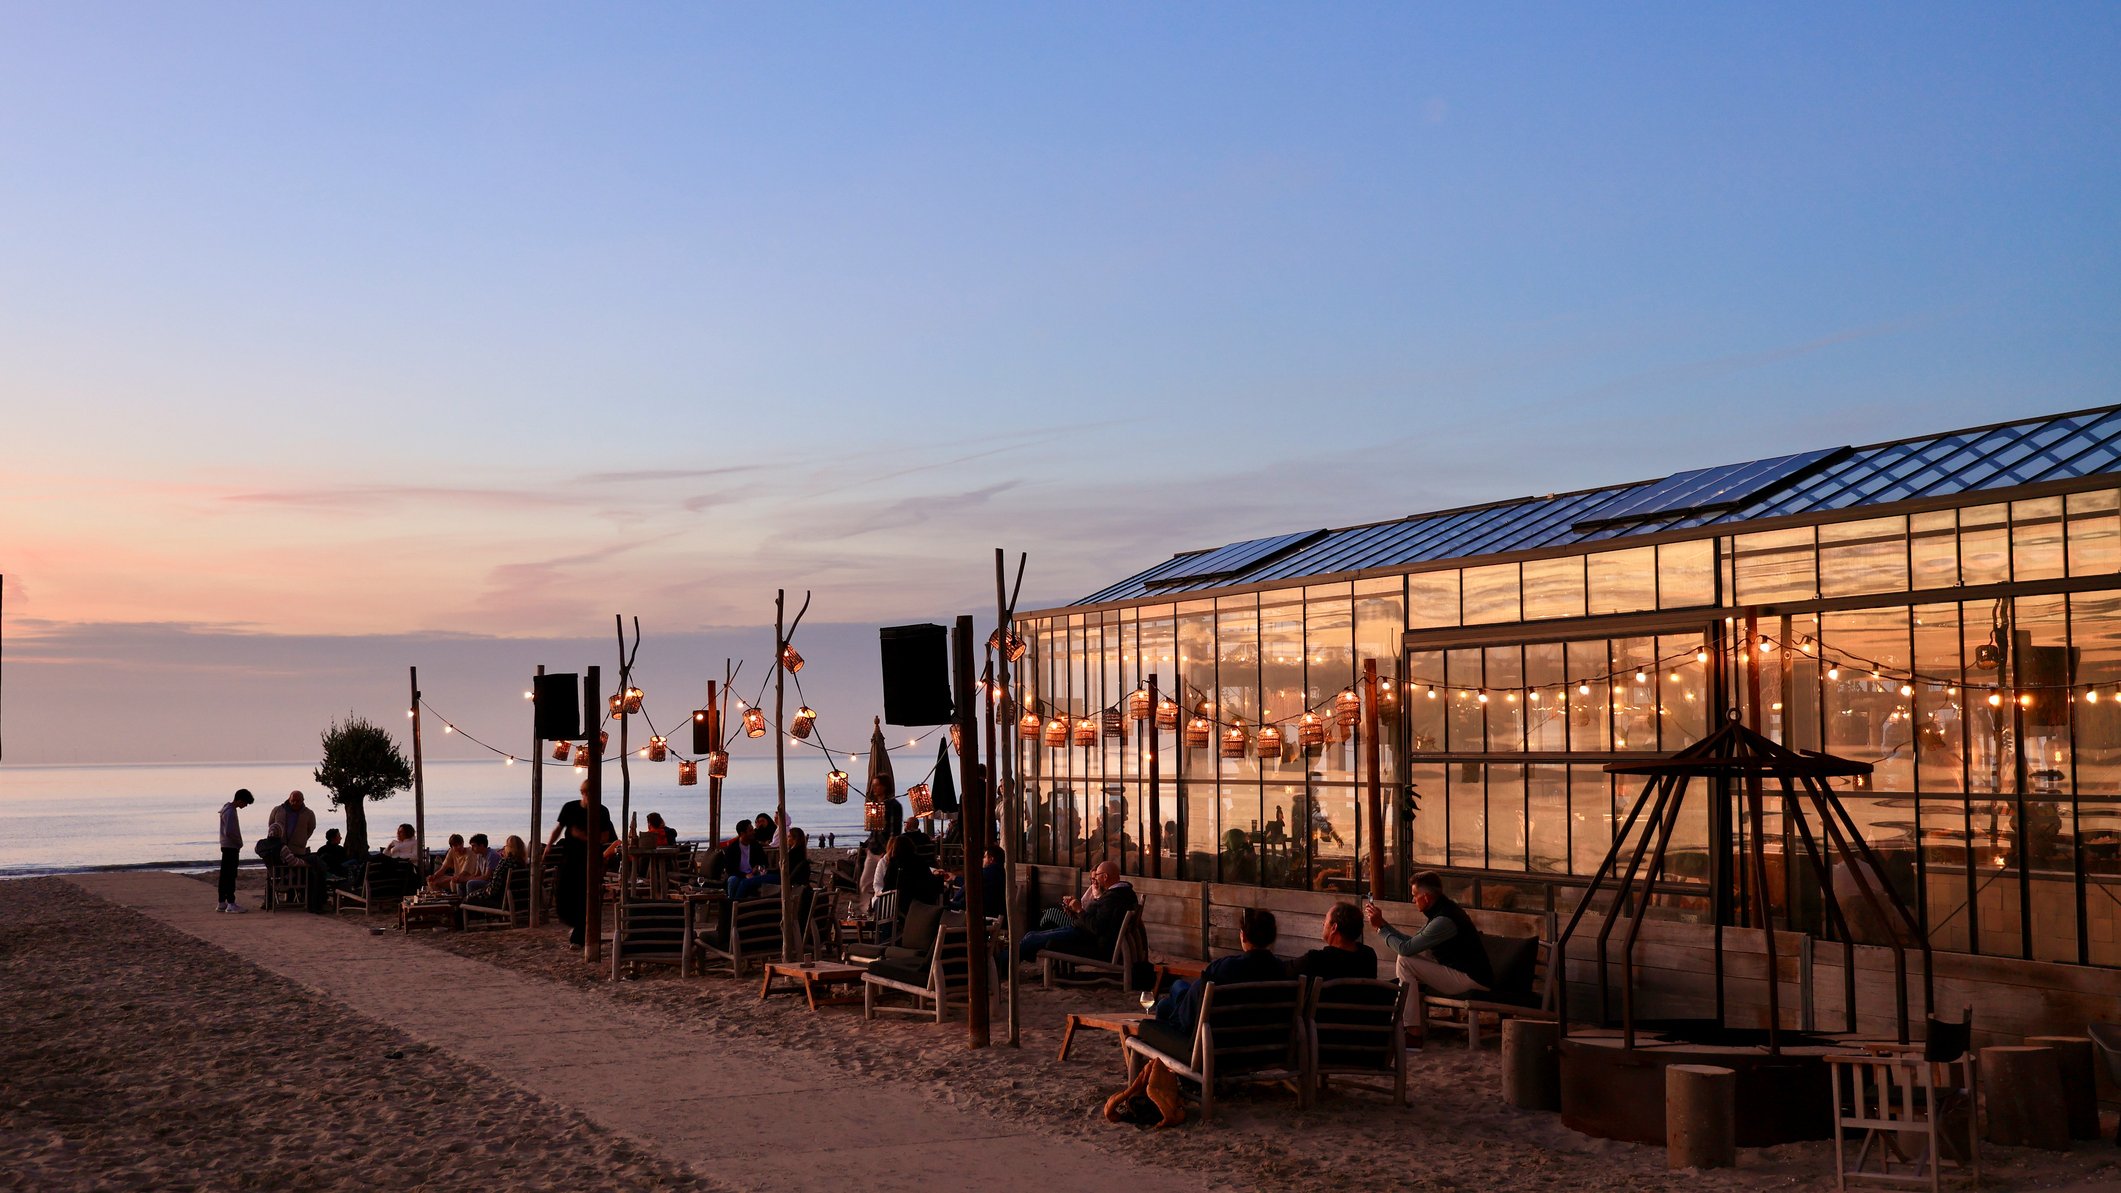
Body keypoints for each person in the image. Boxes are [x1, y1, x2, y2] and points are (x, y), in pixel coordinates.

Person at [1363, 871, 1493, 1025]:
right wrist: (1382, 923)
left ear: (1426, 897)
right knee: (1406, 960)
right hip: (1459, 974)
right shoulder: (1441, 910)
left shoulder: (1444, 919)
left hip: (1471, 979)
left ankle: (1412, 1028)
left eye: (1414, 895)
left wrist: (1380, 928)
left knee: (1404, 961)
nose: (1413, 900)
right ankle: (1410, 1024)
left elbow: (1405, 949)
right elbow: (1411, 943)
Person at [1153, 908, 1287, 1036]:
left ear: (1243, 936)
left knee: (1167, 1001)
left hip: (1215, 1044)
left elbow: (1188, 1018)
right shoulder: (1282, 970)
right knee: (1177, 989)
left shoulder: (1225, 968)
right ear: (1273, 936)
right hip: (1264, 1041)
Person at [1019, 860, 1136, 963]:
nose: (1095, 880)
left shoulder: (1113, 898)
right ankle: (1020, 958)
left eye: (1097, 876)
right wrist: (1075, 913)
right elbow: (1098, 922)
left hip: (1085, 938)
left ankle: (1008, 966)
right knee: (1030, 935)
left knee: (1031, 939)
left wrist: (1079, 910)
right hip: (1081, 931)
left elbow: (1097, 927)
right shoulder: (1122, 893)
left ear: (1105, 877)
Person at [549, 782, 617, 947]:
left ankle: (578, 936)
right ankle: (577, 926)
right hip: (569, 857)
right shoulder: (570, 807)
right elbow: (559, 828)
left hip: (590, 858)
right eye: (586, 793)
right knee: (563, 893)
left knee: (583, 896)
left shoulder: (601, 811)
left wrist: (583, 837)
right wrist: (549, 845)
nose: (588, 796)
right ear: (582, 793)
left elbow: (604, 838)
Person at [268, 790, 325, 912]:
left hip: (298, 850)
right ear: (289, 799)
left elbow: (311, 829)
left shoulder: (309, 813)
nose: (295, 803)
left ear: (303, 801)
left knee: (301, 874)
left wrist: (301, 840)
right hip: (280, 849)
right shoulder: (278, 810)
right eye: (292, 800)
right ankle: (270, 900)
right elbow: (272, 825)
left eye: (298, 801)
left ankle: (299, 898)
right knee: (279, 872)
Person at [1294, 901, 1379, 980]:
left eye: (1326, 921)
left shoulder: (1316, 960)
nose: (1323, 924)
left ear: (1334, 927)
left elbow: (1286, 972)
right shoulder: (1368, 956)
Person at [464, 836, 529, 911]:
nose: (504, 848)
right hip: (523, 904)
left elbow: (492, 890)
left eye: (506, 846)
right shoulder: (524, 865)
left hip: (504, 904)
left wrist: (472, 895)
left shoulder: (504, 863)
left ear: (509, 848)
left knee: (468, 900)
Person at [216, 788, 254, 913]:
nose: (245, 805)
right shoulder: (230, 812)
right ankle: (231, 903)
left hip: (226, 845)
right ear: (240, 800)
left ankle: (222, 902)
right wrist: (239, 843)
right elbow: (230, 831)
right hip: (231, 846)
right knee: (231, 875)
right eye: (245, 803)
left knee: (224, 875)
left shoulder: (227, 809)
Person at [882, 831, 944, 905]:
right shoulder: (920, 861)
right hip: (920, 903)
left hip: (898, 903)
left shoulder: (894, 863)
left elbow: (887, 885)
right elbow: (929, 881)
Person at [723, 819, 773, 898]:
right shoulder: (732, 848)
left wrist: (758, 867)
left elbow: (765, 863)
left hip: (754, 874)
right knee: (733, 880)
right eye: (750, 830)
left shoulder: (756, 846)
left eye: (753, 829)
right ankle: (733, 902)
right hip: (738, 875)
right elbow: (730, 869)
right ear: (742, 834)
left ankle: (736, 902)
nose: (753, 832)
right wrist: (745, 875)